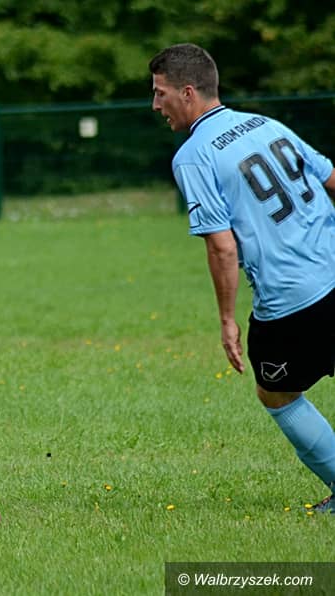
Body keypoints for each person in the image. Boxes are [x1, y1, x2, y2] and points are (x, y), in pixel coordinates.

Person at [150, 43, 335, 513]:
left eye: (160, 93)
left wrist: (227, 319)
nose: (155, 105)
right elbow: (332, 179)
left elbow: (222, 246)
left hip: (291, 298)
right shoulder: (266, 124)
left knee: (277, 392)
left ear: (187, 93)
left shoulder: (193, 155)